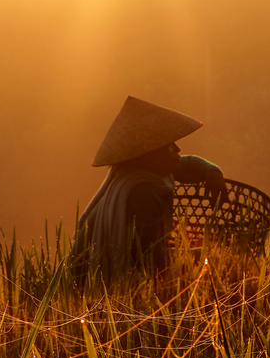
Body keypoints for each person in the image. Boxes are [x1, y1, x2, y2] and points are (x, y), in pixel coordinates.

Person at [75, 96, 225, 281]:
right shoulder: (142, 192)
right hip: (88, 280)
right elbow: (149, 260)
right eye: (168, 145)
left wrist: (212, 172)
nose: (177, 149)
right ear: (147, 155)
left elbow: (186, 164)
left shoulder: (149, 171)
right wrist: (205, 254)